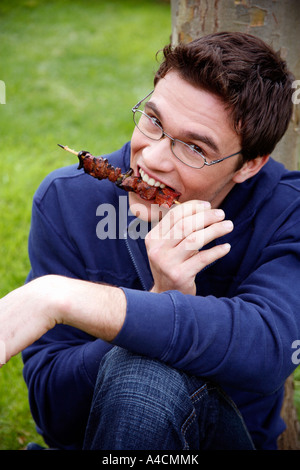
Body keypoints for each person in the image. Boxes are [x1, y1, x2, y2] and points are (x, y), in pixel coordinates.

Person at [1, 31, 299, 451]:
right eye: (154, 121)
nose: (152, 159)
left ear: (249, 165)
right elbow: (55, 417)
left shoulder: (287, 210)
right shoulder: (67, 200)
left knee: (147, 372)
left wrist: (62, 298)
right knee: (137, 364)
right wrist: (160, 297)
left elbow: (269, 348)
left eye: (194, 148)